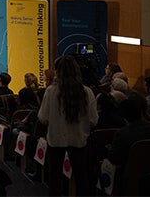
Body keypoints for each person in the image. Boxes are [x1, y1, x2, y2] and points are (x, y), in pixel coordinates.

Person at [37, 55, 98, 196]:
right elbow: (93, 120)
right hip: (80, 141)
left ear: (58, 71)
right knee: (82, 179)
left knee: (55, 180)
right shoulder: (87, 92)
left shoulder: (51, 91)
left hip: (55, 141)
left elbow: (43, 118)